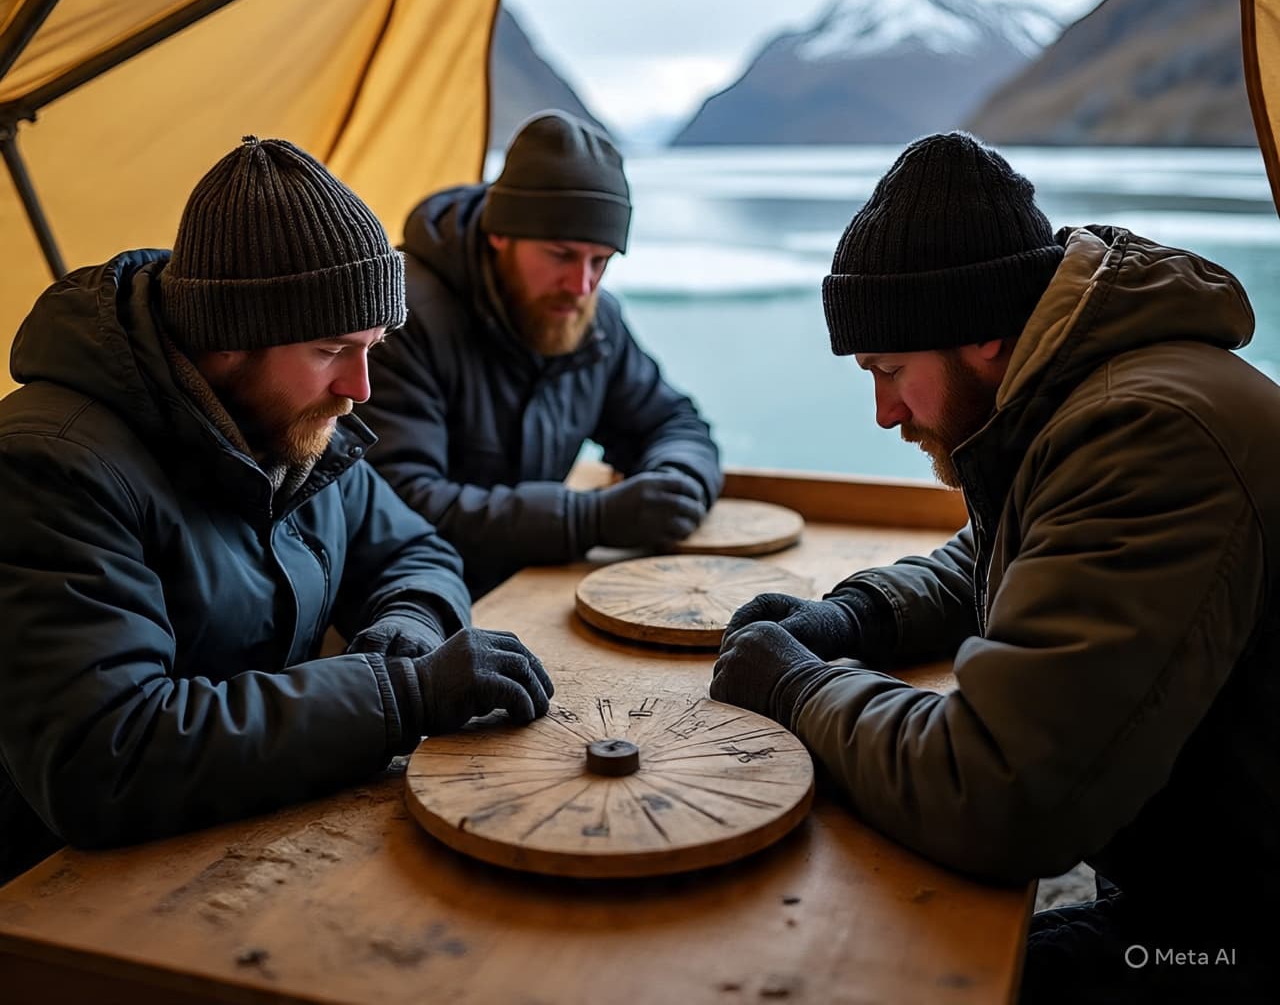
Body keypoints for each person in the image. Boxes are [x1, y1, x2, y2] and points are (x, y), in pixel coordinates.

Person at [711, 132, 1278, 1002]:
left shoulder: (1151, 435)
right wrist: (861, 615)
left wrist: (797, 690)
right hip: (1202, 876)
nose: (883, 411)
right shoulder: (1097, 394)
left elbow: (1001, 793)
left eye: (891, 369)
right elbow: (1017, 546)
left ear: (981, 334)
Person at [0, 136, 553, 884]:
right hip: (55, 897)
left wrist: (407, 629)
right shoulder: (49, 467)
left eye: (373, 346)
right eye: (332, 349)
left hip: (233, 838)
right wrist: (400, 694)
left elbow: (413, 552)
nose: (360, 386)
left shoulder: (290, 427)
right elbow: (106, 757)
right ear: (228, 339)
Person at [362, 110, 723, 596]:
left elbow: (673, 422)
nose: (581, 285)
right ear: (500, 232)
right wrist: (586, 520)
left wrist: (679, 484)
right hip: (413, 608)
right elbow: (398, 501)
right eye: (561, 255)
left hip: (528, 588)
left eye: (601, 261)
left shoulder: (592, 319)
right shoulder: (403, 318)